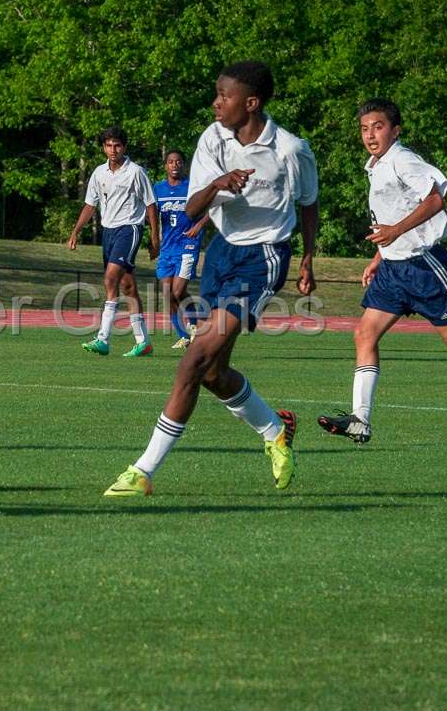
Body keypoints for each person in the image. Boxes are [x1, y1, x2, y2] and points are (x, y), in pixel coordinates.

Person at [104, 60, 318, 496]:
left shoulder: (290, 149)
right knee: (213, 372)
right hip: (220, 253)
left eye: (225, 96)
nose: (216, 102)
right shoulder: (212, 137)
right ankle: (275, 431)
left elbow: (309, 203)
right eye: (217, 94)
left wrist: (308, 259)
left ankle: (142, 471)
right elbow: (191, 209)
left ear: (251, 103)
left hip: (263, 258)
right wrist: (220, 181)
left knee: (193, 359)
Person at [316, 99, 447, 444]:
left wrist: (396, 231)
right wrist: (380, 255)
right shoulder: (376, 165)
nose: (370, 134)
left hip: (425, 266)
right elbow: (392, 212)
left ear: (396, 130)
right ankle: (360, 420)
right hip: (393, 270)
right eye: (364, 128)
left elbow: (436, 198)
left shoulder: (403, 159)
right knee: (364, 335)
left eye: (378, 126)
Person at [67, 126, 161, 357]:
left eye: (117, 145)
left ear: (124, 147)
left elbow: (151, 204)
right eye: (108, 145)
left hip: (129, 229)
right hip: (108, 233)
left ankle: (103, 338)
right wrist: (76, 231)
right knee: (127, 286)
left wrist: (155, 237)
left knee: (110, 279)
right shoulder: (99, 173)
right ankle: (143, 342)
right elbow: (91, 205)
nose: (113, 150)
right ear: (103, 147)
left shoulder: (136, 172)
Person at [154, 150, 208, 349]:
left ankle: (195, 325)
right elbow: (151, 213)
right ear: (165, 166)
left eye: (178, 161)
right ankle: (183, 335)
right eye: (170, 162)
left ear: (183, 165)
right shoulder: (158, 189)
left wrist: (199, 225)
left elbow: (214, 207)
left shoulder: (192, 187)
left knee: (178, 290)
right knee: (168, 293)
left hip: (187, 245)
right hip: (167, 248)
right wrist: (153, 238)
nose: (174, 165)